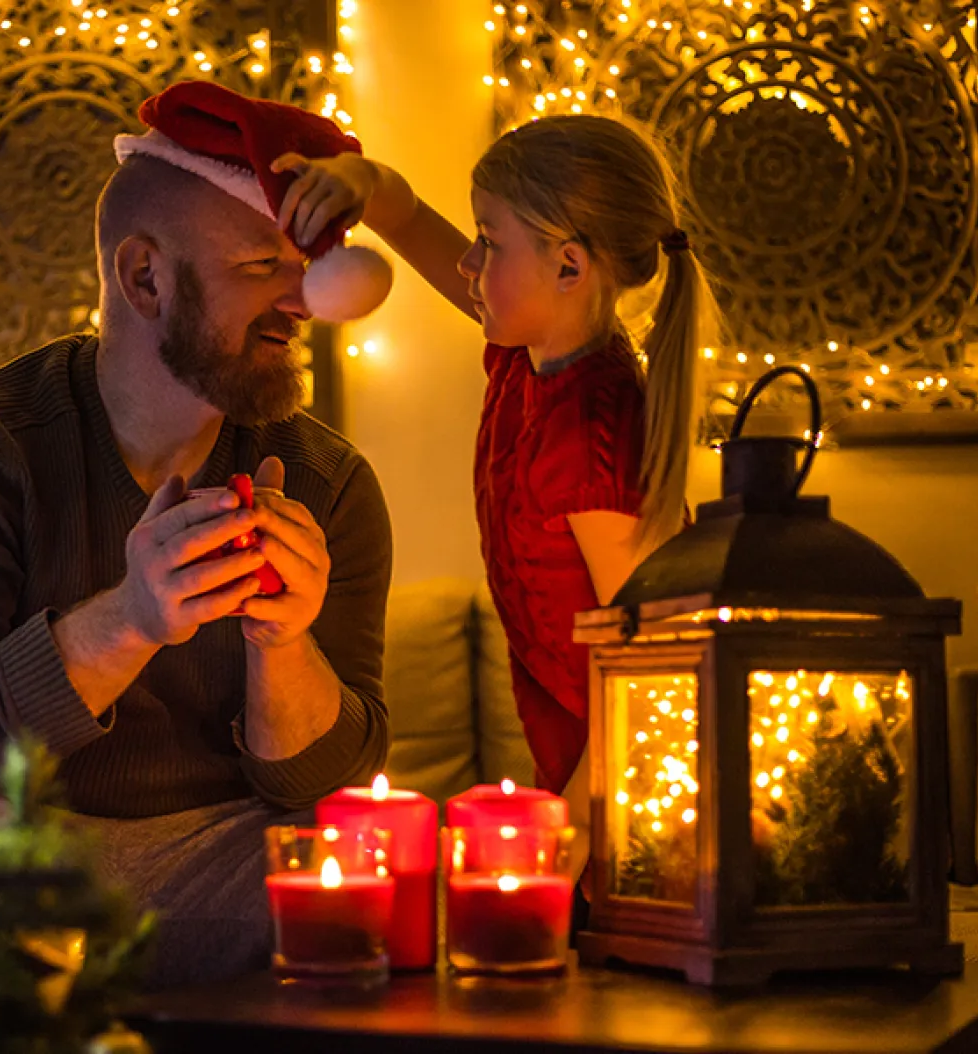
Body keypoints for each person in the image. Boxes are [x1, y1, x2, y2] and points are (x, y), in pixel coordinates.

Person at [0, 81, 394, 985]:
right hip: (22, 846)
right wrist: (129, 619)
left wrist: (284, 640)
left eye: (304, 270)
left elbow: (328, 795)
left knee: (398, 887)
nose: (302, 303)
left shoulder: (327, 481)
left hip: (229, 855)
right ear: (144, 275)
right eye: (260, 268)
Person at [273, 114, 718, 879]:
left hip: (635, 818)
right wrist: (359, 184)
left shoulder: (591, 436)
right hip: (584, 789)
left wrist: (566, 851)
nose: (471, 262)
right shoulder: (528, 357)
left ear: (569, 268)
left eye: (489, 240)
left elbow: (658, 677)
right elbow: (409, 218)